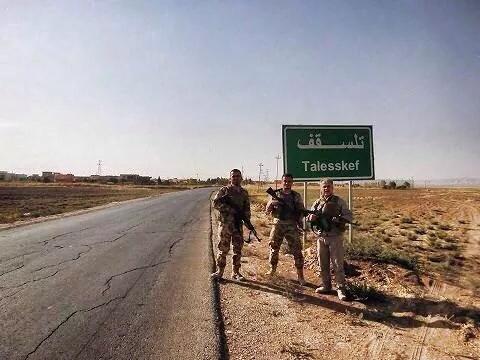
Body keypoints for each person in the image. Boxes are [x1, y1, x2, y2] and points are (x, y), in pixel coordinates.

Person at [307, 179, 352, 301]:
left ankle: (341, 289)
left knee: (337, 264)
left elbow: (349, 216)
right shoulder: (317, 202)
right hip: (321, 237)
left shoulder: (339, 201)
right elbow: (308, 216)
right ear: (321, 188)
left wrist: (339, 219)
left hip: (335, 237)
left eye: (328, 186)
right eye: (324, 187)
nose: (326, 189)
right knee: (323, 263)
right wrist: (311, 217)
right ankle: (326, 286)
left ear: (332, 188)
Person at [265, 173, 306, 285]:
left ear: (292, 183)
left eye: (289, 181)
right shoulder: (275, 194)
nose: (287, 183)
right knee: (273, 247)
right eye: (285, 181)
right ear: (282, 182)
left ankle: (300, 275)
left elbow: (301, 211)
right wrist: (272, 203)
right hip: (277, 223)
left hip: (291, 224)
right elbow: (267, 210)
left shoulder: (296, 196)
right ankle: (272, 270)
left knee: (297, 250)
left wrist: (300, 220)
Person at [211, 169, 251, 281]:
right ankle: (220, 272)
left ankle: (236, 272)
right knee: (223, 249)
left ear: (241, 178)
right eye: (233, 176)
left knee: (237, 249)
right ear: (230, 178)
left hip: (238, 225)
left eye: (238, 176)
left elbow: (247, 208)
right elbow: (216, 203)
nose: (236, 178)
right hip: (226, 224)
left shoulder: (244, 193)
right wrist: (230, 210)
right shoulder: (224, 190)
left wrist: (247, 221)